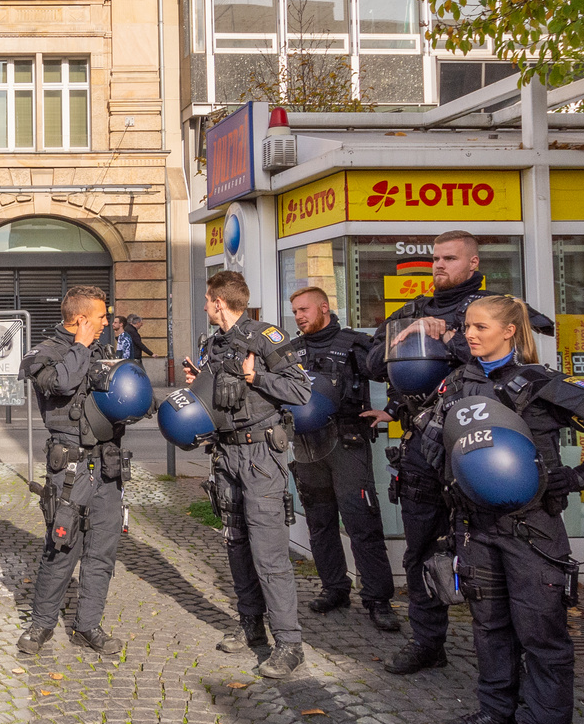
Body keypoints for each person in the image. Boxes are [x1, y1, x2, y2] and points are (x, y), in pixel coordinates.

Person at [419, 296, 584, 724]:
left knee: (541, 632)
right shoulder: (458, 382)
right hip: (475, 528)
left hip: (532, 528)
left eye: (480, 327)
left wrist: (581, 477)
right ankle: (497, 711)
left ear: (510, 331)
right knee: (489, 625)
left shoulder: (540, 383)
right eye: (467, 327)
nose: (469, 334)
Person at [362, 230, 550, 675]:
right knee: (421, 547)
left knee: (490, 550)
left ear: (473, 263)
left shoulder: (497, 310)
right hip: (422, 449)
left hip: (479, 446)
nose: (438, 266)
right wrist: (404, 339)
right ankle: (428, 642)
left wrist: (446, 337)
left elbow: (519, 353)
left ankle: (507, 656)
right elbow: (371, 364)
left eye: (449, 258)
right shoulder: (411, 310)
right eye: (434, 258)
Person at [190, 270, 313, 678]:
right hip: (226, 456)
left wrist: (254, 376)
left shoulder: (266, 337)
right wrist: (199, 386)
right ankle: (250, 626)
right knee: (237, 545)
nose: (205, 306)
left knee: (269, 553)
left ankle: (289, 643)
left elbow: (301, 391)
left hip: (261, 455)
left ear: (219, 302)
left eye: (208, 300)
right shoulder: (214, 344)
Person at [16, 286, 129, 657]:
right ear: (81, 319)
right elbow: (61, 384)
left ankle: (88, 626)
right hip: (70, 469)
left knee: (101, 551)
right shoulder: (43, 353)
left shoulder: (105, 351)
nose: (107, 323)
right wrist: (80, 347)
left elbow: (123, 395)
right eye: (100, 317)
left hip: (107, 464)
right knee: (61, 546)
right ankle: (41, 624)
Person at [288, 286, 400, 632]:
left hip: (347, 443)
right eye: (295, 312)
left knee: (361, 522)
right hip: (308, 447)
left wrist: (392, 410)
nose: (299, 317)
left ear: (324, 307)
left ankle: (378, 599)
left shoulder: (353, 344)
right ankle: (334, 588)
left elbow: (395, 370)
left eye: (304, 310)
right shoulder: (292, 350)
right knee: (320, 523)